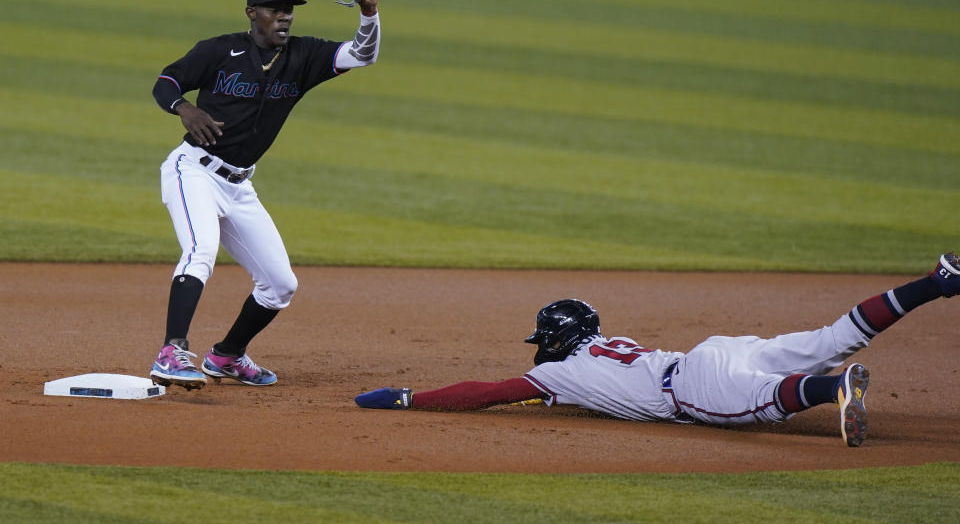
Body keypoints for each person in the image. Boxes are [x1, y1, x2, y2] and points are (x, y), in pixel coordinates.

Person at [356, 253, 960, 446]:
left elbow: (489, 394)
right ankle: (937, 281)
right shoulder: (610, 345)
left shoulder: (563, 374)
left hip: (696, 388)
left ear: (556, 340)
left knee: (764, 403)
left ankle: (835, 390)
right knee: (832, 337)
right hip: (716, 351)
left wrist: (409, 397)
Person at [148, 0, 383, 390]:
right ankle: (171, 352)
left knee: (280, 285)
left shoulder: (303, 56)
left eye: (288, 9)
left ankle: (226, 356)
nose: (284, 17)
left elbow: (362, 53)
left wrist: (368, 11)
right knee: (200, 251)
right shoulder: (219, 50)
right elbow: (165, 83)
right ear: (251, 13)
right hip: (194, 172)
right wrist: (184, 108)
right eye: (274, 9)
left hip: (239, 186)